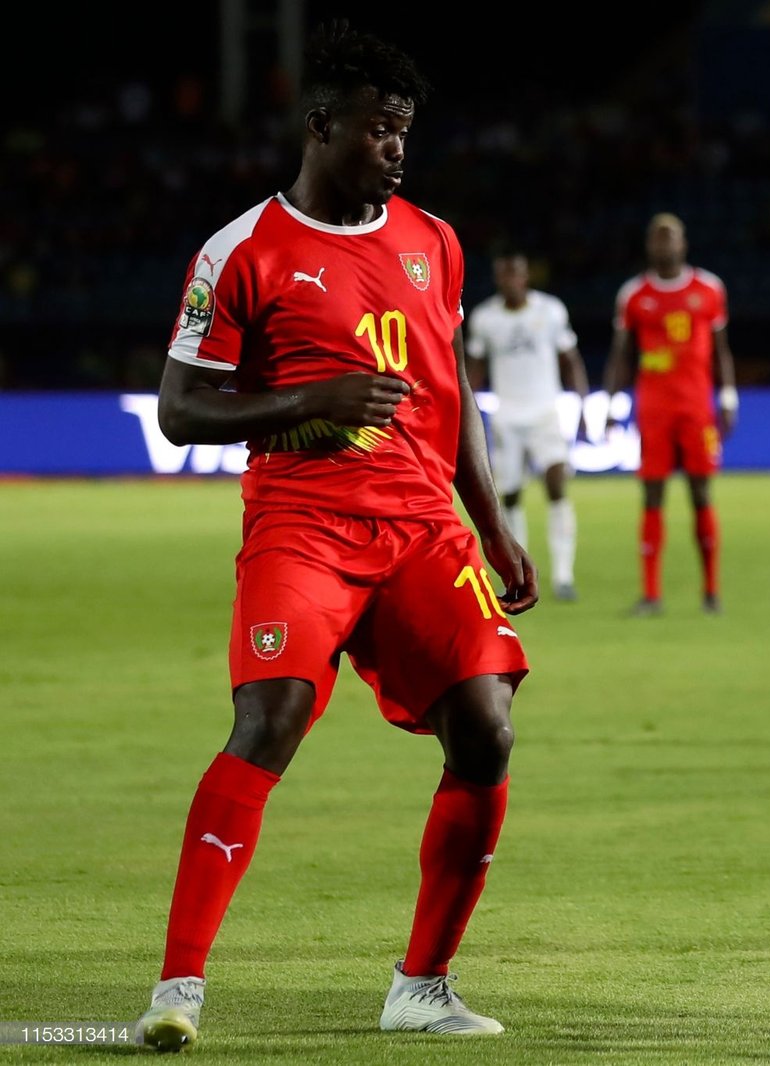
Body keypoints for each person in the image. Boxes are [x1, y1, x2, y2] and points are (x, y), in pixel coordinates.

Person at [133, 23, 535, 1050]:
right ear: (321, 127)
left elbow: (454, 393)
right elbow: (180, 409)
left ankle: (422, 987)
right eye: (379, 130)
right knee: (268, 718)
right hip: (303, 523)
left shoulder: (434, 240)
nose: (397, 149)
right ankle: (177, 989)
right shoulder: (242, 251)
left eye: (405, 131)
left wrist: (493, 525)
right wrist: (314, 399)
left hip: (423, 527)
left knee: (487, 730)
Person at [603, 213, 738, 615]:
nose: (664, 245)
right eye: (658, 239)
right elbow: (621, 355)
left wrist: (727, 397)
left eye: (671, 238)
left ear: (683, 243)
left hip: (696, 407)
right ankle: (651, 594)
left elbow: (721, 350)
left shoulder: (709, 289)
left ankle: (711, 591)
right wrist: (611, 404)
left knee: (700, 492)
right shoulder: (634, 294)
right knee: (652, 493)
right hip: (653, 408)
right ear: (649, 246)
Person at [467, 251, 588, 601]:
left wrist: (582, 406)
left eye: (516, 274)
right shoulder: (485, 318)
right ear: (498, 279)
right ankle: (518, 572)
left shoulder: (550, 311)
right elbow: (473, 370)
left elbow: (570, 360)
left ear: (526, 276)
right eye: (504, 275)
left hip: (545, 413)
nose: (511, 281)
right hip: (507, 417)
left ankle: (563, 576)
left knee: (556, 484)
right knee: (510, 495)